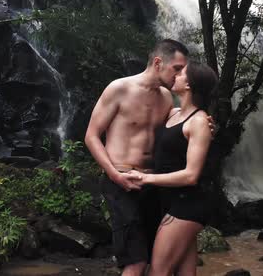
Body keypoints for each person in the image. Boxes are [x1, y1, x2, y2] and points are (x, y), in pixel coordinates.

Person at [84, 39, 190, 276]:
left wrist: (204, 122)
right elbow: (91, 136)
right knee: (135, 262)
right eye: (177, 68)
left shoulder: (165, 98)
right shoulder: (119, 89)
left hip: (153, 184)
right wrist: (114, 175)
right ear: (158, 62)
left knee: (158, 260)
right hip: (121, 181)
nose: (181, 75)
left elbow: (180, 125)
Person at [129, 60, 218, 276]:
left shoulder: (198, 121)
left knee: (158, 272)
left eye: (181, 72)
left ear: (189, 85)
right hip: (172, 203)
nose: (175, 75)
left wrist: (146, 178)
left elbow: (191, 176)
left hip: (187, 206)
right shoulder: (174, 113)